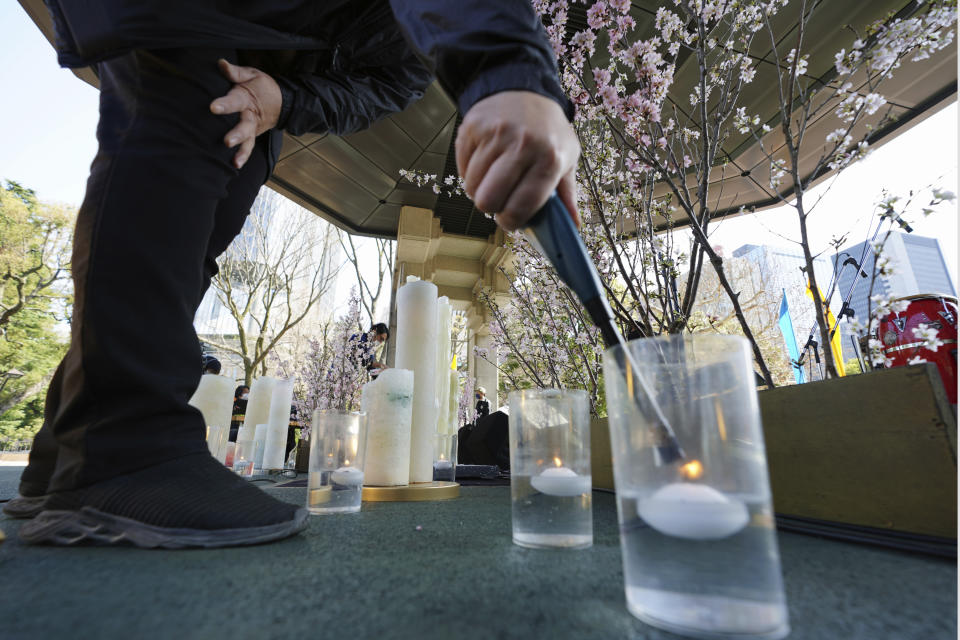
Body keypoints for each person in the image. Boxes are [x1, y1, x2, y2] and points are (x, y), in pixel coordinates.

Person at [6, 1, 580, 548]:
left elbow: (384, 85)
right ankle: (122, 446)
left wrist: (283, 98)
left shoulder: (406, 52)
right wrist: (512, 77)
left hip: (273, 68)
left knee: (201, 227)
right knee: (185, 124)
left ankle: (68, 447)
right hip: (198, 19)